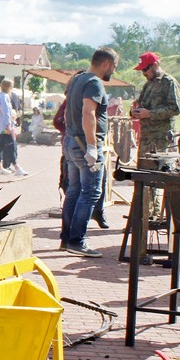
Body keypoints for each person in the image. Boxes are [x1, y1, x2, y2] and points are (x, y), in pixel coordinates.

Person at [61, 48, 119, 256]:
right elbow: (89, 113)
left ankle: (67, 239)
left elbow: (69, 112)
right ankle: (77, 241)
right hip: (84, 144)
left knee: (74, 190)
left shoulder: (77, 79)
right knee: (91, 192)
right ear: (106, 64)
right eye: (114, 66)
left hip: (72, 140)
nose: (113, 71)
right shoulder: (94, 82)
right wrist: (92, 146)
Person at [129, 52, 180, 224]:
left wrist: (149, 114)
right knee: (143, 176)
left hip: (161, 139)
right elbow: (141, 104)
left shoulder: (169, 82)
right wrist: (135, 111)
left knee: (157, 178)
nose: (143, 73)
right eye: (142, 70)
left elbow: (175, 109)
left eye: (145, 69)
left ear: (155, 65)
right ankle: (143, 214)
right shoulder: (148, 85)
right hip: (146, 138)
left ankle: (154, 216)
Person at [0, 79, 26, 175]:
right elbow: (6, 112)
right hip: (5, 126)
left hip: (0, 125)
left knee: (1, 145)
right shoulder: (4, 96)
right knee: (11, 145)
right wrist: (8, 125)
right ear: (9, 87)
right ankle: (16, 167)